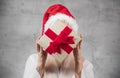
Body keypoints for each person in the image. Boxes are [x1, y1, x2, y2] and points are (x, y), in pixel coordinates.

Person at [23, 4, 94, 78]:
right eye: (57, 30)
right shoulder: (34, 61)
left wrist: (78, 73)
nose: (60, 39)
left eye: (66, 32)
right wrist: (40, 70)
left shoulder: (85, 65)